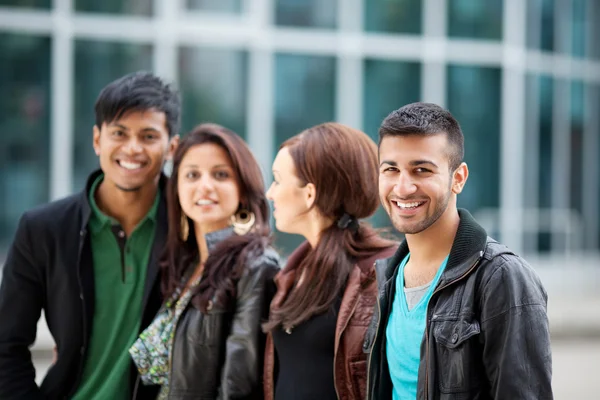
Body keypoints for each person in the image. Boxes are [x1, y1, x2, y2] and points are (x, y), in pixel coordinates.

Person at [0, 71, 181, 399]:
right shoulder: (44, 230)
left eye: (149, 136)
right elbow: (6, 345)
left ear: (172, 147)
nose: (133, 148)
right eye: (120, 133)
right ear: (98, 140)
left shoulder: (189, 231)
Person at [366, 102, 553, 399]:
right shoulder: (387, 275)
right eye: (391, 169)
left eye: (421, 170)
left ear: (458, 178)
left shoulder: (501, 277)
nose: (402, 188)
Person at [129, 123, 280, 399]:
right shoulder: (185, 265)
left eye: (220, 174)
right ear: (177, 189)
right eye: (192, 175)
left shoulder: (256, 266)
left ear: (243, 188)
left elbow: (240, 386)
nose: (205, 186)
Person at [262, 122, 398, 400]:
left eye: (277, 179)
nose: (270, 193)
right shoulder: (291, 272)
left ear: (310, 194)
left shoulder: (383, 273)